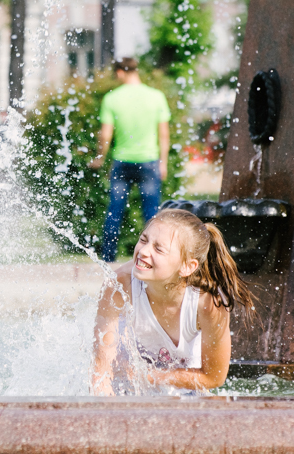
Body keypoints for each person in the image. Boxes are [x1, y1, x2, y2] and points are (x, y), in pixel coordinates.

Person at [90, 209, 254, 395]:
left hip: (184, 392)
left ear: (187, 267)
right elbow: (100, 372)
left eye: (159, 249)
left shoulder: (208, 303)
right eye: (143, 240)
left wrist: (148, 376)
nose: (143, 251)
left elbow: (214, 377)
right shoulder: (120, 285)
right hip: (123, 386)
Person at [88, 57, 171, 263]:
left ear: (119, 73)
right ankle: (155, 257)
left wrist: (99, 158)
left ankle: (108, 259)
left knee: (114, 212)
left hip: (122, 161)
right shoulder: (156, 96)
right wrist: (164, 162)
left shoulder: (112, 98)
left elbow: (105, 135)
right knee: (152, 215)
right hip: (149, 161)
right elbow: (164, 134)